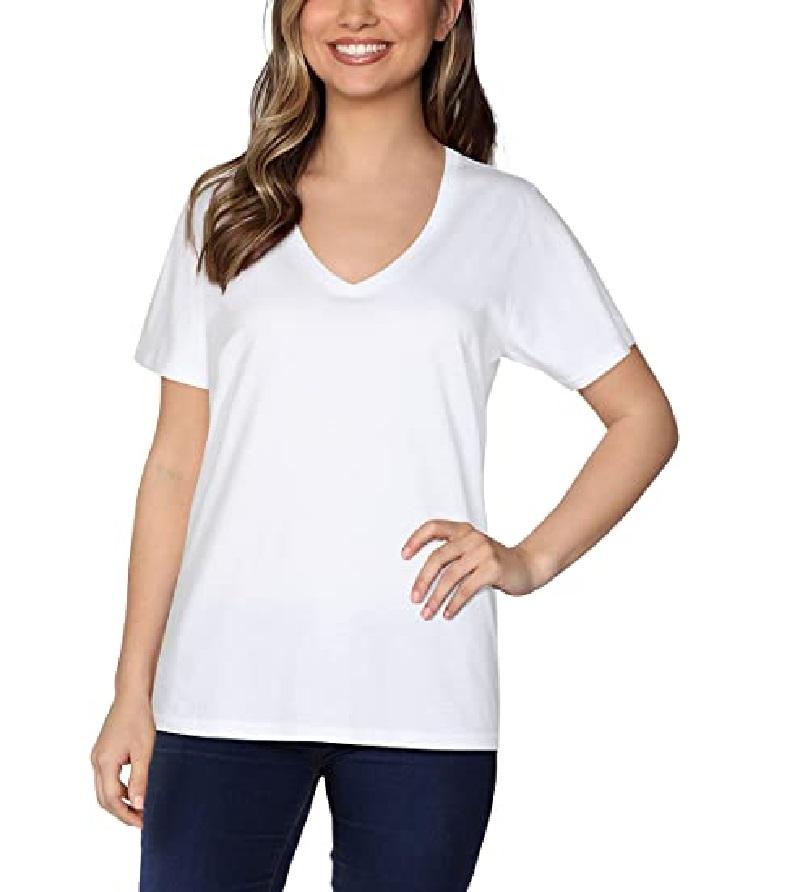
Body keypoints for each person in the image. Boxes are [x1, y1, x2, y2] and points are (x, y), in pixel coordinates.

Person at [90, 1, 678, 889]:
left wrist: (529, 559)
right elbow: (175, 464)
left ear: (446, 14)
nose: (357, 13)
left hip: (424, 696)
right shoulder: (225, 208)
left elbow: (642, 418)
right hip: (221, 689)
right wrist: (132, 689)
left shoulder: (505, 219)